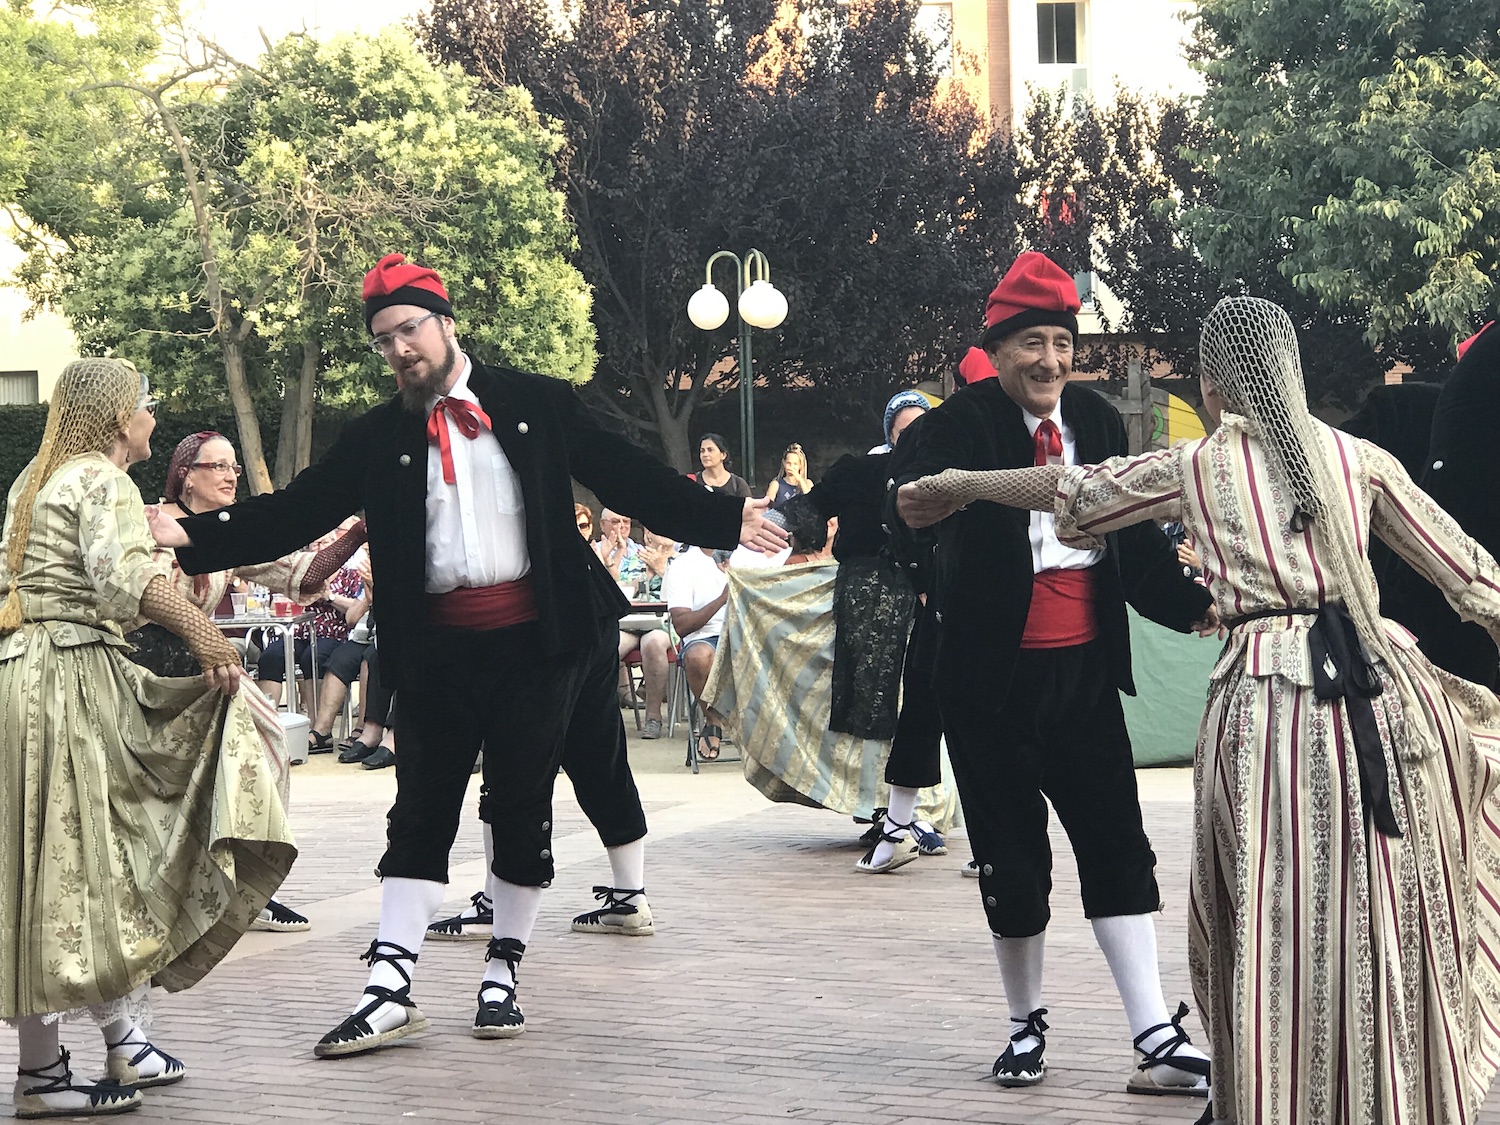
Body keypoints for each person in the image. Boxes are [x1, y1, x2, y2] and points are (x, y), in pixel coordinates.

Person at [148, 252, 785, 1058]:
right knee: (420, 808)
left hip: (535, 644)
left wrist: (728, 519)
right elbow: (299, 507)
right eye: (384, 340)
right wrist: (193, 534)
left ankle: (503, 970)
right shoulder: (380, 434)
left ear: (445, 324)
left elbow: (631, 476)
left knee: (519, 805)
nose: (399, 350)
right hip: (437, 648)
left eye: (409, 330)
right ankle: (388, 985)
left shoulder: (537, 402)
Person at [901, 295, 1500, 1125]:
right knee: (1378, 906)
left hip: (1264, 704)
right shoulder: (1359, 459)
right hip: (1376, 693)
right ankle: (1385, 1089)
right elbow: (1466, 570)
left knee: (1264, 913)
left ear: (1215, 385)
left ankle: (1268, 1093)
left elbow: (1068, 487)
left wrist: (965, 483)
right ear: (1289, 370)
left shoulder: (1197, 466)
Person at [890, 251, 1216, 1095]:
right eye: (1031, 342)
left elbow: (1136, 546)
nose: (1050, 361)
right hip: (987, 684)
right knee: (1012, 857)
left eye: (1062, 343)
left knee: (1116, 845)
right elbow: (910, 499)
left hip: (1084, 674)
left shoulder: (1101, 423)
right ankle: (1024, 1022)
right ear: (997, 351)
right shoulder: (957, 424)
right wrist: (929, 500)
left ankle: (1153, 1033)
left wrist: (1194, 606)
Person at [0, 359, 296, 1118]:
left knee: (46, 862)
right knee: (85, 858)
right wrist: (209, 637)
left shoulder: (36, 479)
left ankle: (105, 1043)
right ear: (112, 416)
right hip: (71, 675)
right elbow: (124, 578)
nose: (152, 416)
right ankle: (44, 1072)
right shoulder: (100, 480)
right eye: (145, 403)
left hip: (27, 673)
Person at [124, 430, 363, 935]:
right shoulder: (146, 521)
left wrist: (359, 533)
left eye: (235, 466)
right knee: (156, 794)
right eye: (218, 467)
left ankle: (248, 890)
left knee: (265, 750)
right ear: (186, 476)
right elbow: (144, 593)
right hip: (144, 671)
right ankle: (159, 900)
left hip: (207, 671)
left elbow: (303, 573)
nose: (232, 476)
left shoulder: (224, 534)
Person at [808, 390, 940, 871]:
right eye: (905, 432)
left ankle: (916, 814)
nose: (913, 442)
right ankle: (884, 813)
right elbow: (809, 514)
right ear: (889, 433)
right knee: (873, 703)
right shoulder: (860, 471)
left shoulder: (944, 478)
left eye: (922, 432)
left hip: (928, 598)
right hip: (868, 595)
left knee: (924, 701)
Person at [664, 545, 731, 760]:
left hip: (748, 633)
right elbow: (682, 625)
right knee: (698, 656)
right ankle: (713, 721)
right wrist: (723, 599)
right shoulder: (683, 565)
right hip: (706, 637)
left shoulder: (750, 554)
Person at [689, 433, 752, 497]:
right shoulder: (691, 482)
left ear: (723, 455)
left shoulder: (738, 484)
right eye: (702, 451)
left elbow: (748, 506)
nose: (705, 454)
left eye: (710, 450)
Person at [764, 443, 813, 511]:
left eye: (795, 464)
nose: (791, 467)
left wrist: (800, 481)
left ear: (800, 465)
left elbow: (812, 504)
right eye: (788, 463)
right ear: (784, 463)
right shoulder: (776, 484)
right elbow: (766, 508)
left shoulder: (808, 483)